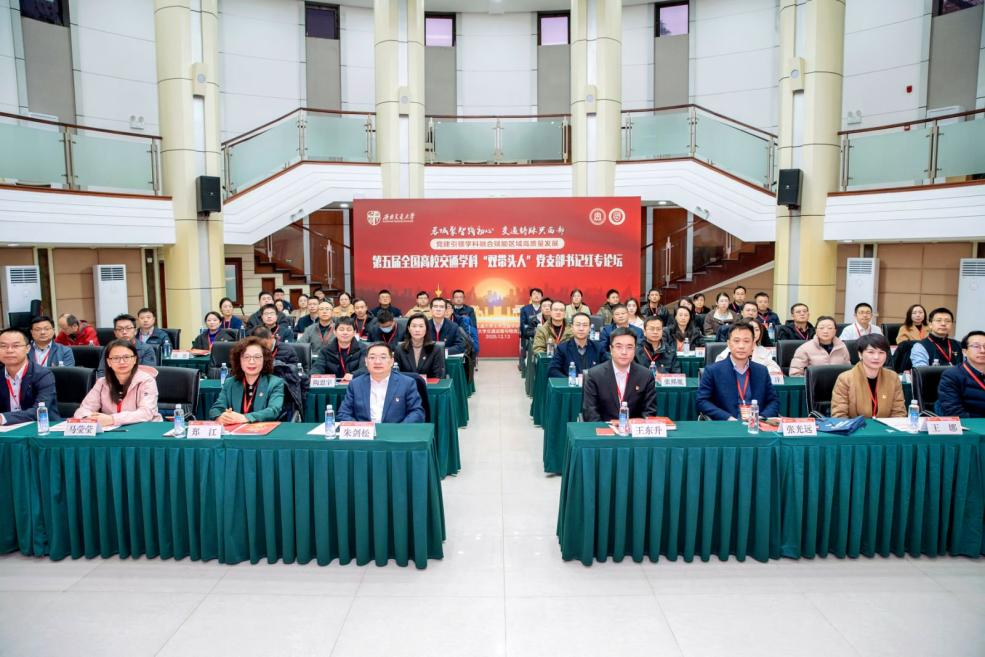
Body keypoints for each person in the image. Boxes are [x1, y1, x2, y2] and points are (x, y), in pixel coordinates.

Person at [696, 321, 779, 421]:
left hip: (756, 425)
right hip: (728, 424)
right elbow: (702, 401)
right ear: (728, 344)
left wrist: (760, 418)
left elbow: (773, 401)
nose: (741, 346)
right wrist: (727, 418)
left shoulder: (761, 371)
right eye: (736, 341)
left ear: (753, 344)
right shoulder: (713, 370)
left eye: (746, 341)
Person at [75, 340, 162, 426]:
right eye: (116, 358)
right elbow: (83, 410)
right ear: (109, 362)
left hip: (144, 429)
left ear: (135, 359)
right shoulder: (102, 383)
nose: (122, 362)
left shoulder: (147, 381)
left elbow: (146, 413)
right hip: (112, 430)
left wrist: (112, 419)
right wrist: (88, 417)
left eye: (126, 357)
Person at [581, 328, 657, 422]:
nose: (624, 352)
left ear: (635, 350)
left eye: (629, 347)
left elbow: (649, 412)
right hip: (604, 428)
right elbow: (590, 413)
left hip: (633, 429)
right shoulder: (594, 375)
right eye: (619, 347)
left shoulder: (646, 376)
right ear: (611, 349)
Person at [338, 343, 425, 423]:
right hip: (365, 433)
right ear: (366, 362)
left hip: (396, 433)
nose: (377, 362)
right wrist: (360, 428)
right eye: (372, 357)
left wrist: (399, 429)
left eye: (383, 357)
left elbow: (417, 412)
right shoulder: (355, 384)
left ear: (391, 361)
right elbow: (343, 414)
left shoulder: (407, 383)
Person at [209, 337, 285, 425]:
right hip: (234, 431)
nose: (251, 361)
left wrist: (245, 418)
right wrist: (221, 417)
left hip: (263, 432)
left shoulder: (275, 383)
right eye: (246, 357)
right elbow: (216, 409)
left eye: (257, 357)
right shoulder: (230, 383)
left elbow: (274, 411)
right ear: (239, 360)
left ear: (264, 360)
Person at [831, 334, 905, 418]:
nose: (876, 357)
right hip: (855, 426)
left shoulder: (893, 377)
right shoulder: (845, 379)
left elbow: (899, 412)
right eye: (871, 352)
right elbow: (839, 415)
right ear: (860, 354)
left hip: (886, 426)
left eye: (881, 352)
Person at [0, 327, 59, 426]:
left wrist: (3, 418)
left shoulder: (43, 375)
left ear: (27, 349)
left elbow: (39, 410)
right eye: (3, 346)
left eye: (15, 346)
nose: (9, 350)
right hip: (6, 429)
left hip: (41, 428)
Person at [251, 326, 303, 419]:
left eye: (264, 344)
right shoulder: (252, 351)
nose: (262, 348)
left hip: (281, 389)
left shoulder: (287, 350)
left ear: (272, 337)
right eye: (258, 345)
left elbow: (293, 374)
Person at [936, 331, 985, 418]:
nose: (982, 350)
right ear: (964, 352)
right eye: (976, 346)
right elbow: (954, 411)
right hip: (970, 423)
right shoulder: (952, 375)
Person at [548, 312, 607, 378]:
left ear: (590, 328)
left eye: (585, 325)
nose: (581, 329)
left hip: (593, 384)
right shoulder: (562, 348)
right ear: (572, 327)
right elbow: (552, 370)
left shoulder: (598, 347)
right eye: (578, 325)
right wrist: (570, 380)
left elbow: (608, 368)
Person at [714, 320, 781, 375]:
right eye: (750, 329)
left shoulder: (764, 351)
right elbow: (718, 367)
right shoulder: (731, 349)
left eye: (757, 330)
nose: (754, 332)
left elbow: (775, 370)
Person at [311, 317, 365, 381]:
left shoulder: (363, 349)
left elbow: (365, 368)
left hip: (355, 383)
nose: (345, 332)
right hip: (333, 385)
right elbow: (318, 367)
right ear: (335, 332)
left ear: (354, 333)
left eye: (349, 330)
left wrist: (354, 375)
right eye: (341, 330)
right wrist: (314, 376)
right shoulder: (326, 350)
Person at [394, 313, 446, 379]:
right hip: (406, 385)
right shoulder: (400, 349)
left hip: (428, 385)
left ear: (426, 329)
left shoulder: (435, 349)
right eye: (414, 326)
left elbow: (437, 376)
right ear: (409, 329)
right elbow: (396, 375)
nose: (417, 330)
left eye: (421, 326)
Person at [450, 289, 480, 361]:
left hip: (465, 333)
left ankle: (470, 359)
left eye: (460, 297)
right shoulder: (449, 309)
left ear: (464, 299)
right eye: (456, 297)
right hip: (452, 332)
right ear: (453, 299)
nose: (458, 299)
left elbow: (473, 324)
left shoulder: (469, 309)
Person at [518, 288, 543, 369]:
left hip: (542, 336)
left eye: (538, 294)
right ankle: (524, 365)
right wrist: (534, 332)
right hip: (528, 336)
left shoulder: (545, 308)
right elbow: (523, 325)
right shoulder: (525, 309)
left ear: (542, 297)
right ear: (530, 297)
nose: (536, 296)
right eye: (534, 294)